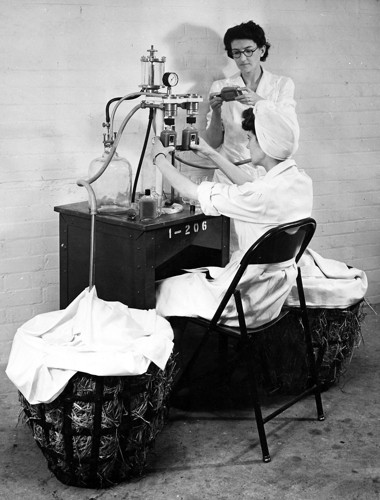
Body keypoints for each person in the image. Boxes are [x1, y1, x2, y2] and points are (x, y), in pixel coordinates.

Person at [151, 100, 312, 328]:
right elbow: (251, 185)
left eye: (250, 139)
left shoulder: (260, 195)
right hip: (271, 298)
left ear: (265, 143)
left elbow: (189, 191)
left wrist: (159, 158)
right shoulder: (299, 181)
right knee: (195, 274)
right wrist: (210, 153)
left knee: (159, 288)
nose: (247, 146)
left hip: (241, 302)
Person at [203, 20, 298, 182]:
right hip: (230, 172)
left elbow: (289, 132)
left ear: (262, 50)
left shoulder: (282, 85)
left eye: (248, 51)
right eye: (236, 53)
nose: (243, 58)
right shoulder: (221, 86)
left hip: (269, 174)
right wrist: (217, 112)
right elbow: (212, 143)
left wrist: (259, 101)